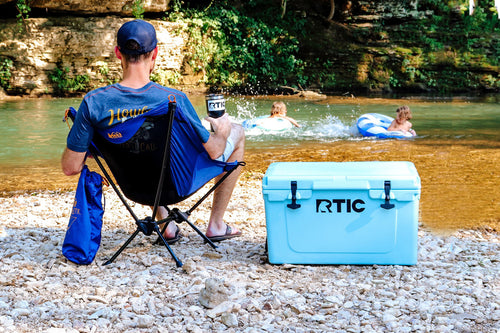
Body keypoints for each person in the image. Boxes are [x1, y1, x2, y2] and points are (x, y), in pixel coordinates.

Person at [61, 19, 245, 243]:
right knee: (237, 131)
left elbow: (70, 168)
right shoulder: (173, 99)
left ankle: (166, 223)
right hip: (178, 187)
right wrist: (223, 130)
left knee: (140, 145)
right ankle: (216, 225)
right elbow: (216, 151)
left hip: (134, 189)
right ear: (155, 53)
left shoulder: (94, 103)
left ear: (118, 54)